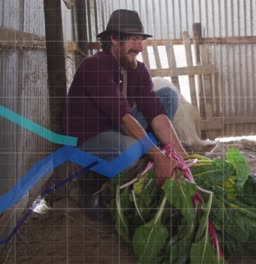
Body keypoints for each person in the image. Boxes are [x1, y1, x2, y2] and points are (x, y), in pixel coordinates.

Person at [63, 9, 188, 217]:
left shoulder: (138, 70)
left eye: (141, 40)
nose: (139, 47)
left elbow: (156, 114)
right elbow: (124, 119)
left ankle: (148, 157)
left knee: (167, 96)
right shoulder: (95, 66)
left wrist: (183, 156)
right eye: (133, 39)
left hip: (115, 129)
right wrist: (158, 156)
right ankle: (89, 182)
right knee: (130, 148)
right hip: (88, 139)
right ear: (114, 39)